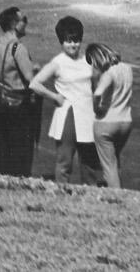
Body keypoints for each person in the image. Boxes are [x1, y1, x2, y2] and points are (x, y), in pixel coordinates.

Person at [30, 15, 99, 185]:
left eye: (76, 40)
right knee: (65, 160)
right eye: (68, 41)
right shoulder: (57, 63)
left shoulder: (87, 60)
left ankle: (91, 196)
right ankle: (62, 193)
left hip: (88, 115)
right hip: (68, 114)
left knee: (89, 162)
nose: (73, 45)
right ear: (61, 41)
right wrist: (54, 97)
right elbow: (34, 84)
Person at [0, 7, 37, 177]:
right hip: (19, 103)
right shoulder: (18, 48)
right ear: (15, 24)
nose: (26, 24)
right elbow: (30, 79)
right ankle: (19, 180)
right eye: (24, 20)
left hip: (1, 98)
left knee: (4, 144)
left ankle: (4, 179)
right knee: (20, 147)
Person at [86, 42, 133, 188]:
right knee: (114, 160)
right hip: (125, 121)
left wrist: (97, 109)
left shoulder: (108, 74)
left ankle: (116, 197)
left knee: (108, 167)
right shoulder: (127, 68)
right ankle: (117, 189)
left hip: (107, 123)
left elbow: (97, 94)